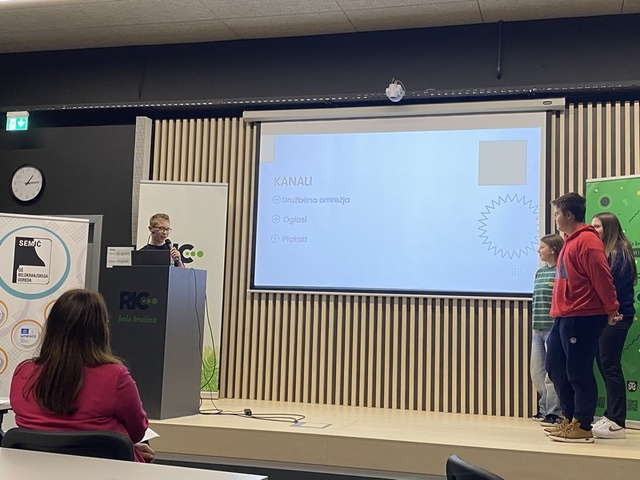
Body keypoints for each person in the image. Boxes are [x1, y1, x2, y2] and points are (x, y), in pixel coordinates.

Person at [9, 289, 155, 463]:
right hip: (106, 471)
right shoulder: (116, 377)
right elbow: (137, 432)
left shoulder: (23, 374)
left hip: (37, 469)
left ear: (52, 327)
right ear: (101, 330)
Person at [544, 192, 620, 443]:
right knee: (555, 367)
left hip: (583, 315)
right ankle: (569, 417)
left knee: (578, 371)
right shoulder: (569, 241)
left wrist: (611, 308)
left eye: (557, 213)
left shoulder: (587, 240)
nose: (555, 218)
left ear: (568, 215)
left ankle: (583, 423)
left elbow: (602, 276)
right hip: (564, 315)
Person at [590, 212, 637, 439]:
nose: (593, 230)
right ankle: (611, 415)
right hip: (608, 316)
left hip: (617, 317)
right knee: (605, 364)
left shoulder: (618, 252)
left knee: (610, 365)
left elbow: (611, 287)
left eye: (597, 226)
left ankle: (617, 420)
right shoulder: (608, 251)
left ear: (608, 228)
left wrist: (611, 311)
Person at [530, 234, 564, 426]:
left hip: (553, 328)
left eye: (542, 247)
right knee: (537, 372)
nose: (538, 251)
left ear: (553, 249)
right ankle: (544, 408)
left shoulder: (561, 271)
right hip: (538, 328)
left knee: (552, 373)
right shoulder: (540, 272)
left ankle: (554, 412)